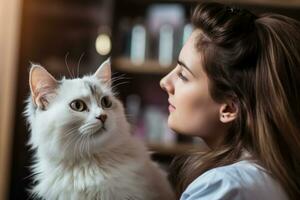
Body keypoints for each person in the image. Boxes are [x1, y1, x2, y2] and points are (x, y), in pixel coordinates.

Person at [160, 2, 300, 200]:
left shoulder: (224, 187)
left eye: (183, 75)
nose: (164, 82)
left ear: (229, 108)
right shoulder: (271, 178)